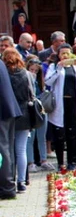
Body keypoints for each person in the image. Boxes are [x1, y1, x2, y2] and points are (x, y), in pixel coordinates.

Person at [45, 44, 76, 171]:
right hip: (60, 104)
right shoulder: (54, 66)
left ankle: (71, 161)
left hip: (73, 104)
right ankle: (60, 162)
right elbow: (48, 81)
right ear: (58, 55)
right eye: (62, 53)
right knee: (59, 134)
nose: (65, 56)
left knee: (72, 133)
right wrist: (59, 68)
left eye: (67, 53)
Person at [3, 48, 33, 193]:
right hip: (25, 114)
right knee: (21, 150)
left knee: (8, 149)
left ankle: (10, 180)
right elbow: (31, 94)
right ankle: (21, 181)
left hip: (9, 114)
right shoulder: (26, 74)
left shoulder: (5, 74)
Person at [25, 57, 53, 172]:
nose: (33, 73)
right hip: (31, 111)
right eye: (31, 70)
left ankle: (43, 160)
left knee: (42, 137)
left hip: (41, 110)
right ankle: (31, 162)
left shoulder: (40, 82)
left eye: (36, 71)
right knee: (30, 139)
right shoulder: (26, 80)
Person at [0, 59, 22, 199]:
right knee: (7, 148)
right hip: (8, 109)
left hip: (3, 111)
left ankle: (7, 186)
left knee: (3, 149)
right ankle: (8, 184)